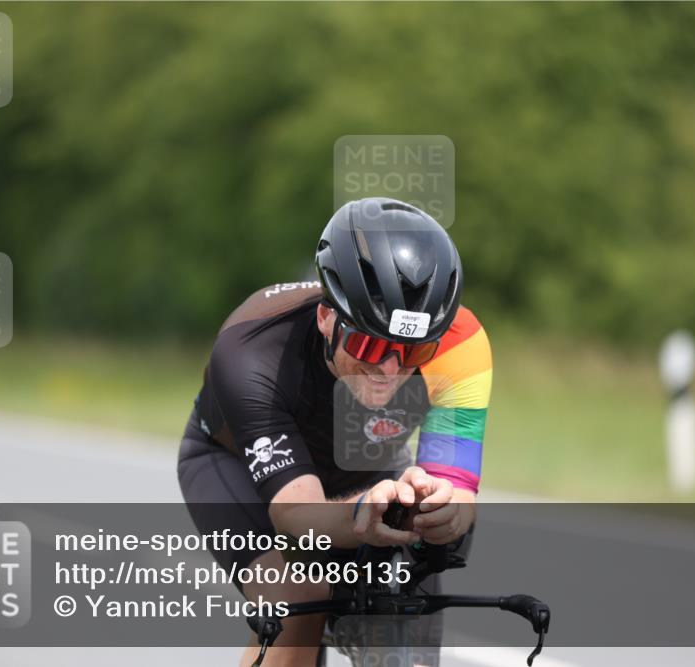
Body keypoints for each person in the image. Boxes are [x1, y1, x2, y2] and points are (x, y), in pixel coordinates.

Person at [178, 197, 491, 666]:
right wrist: (362, 514)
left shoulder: (461, 344)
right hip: (235, 466)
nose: (389, 369)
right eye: (369, 343)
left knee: (408, 623)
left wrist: (443, 512)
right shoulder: (251, 347)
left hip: (367, 465)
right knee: (299, 594)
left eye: (414, 353)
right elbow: (295, 517)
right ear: (327, 318)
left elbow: (459, 492)